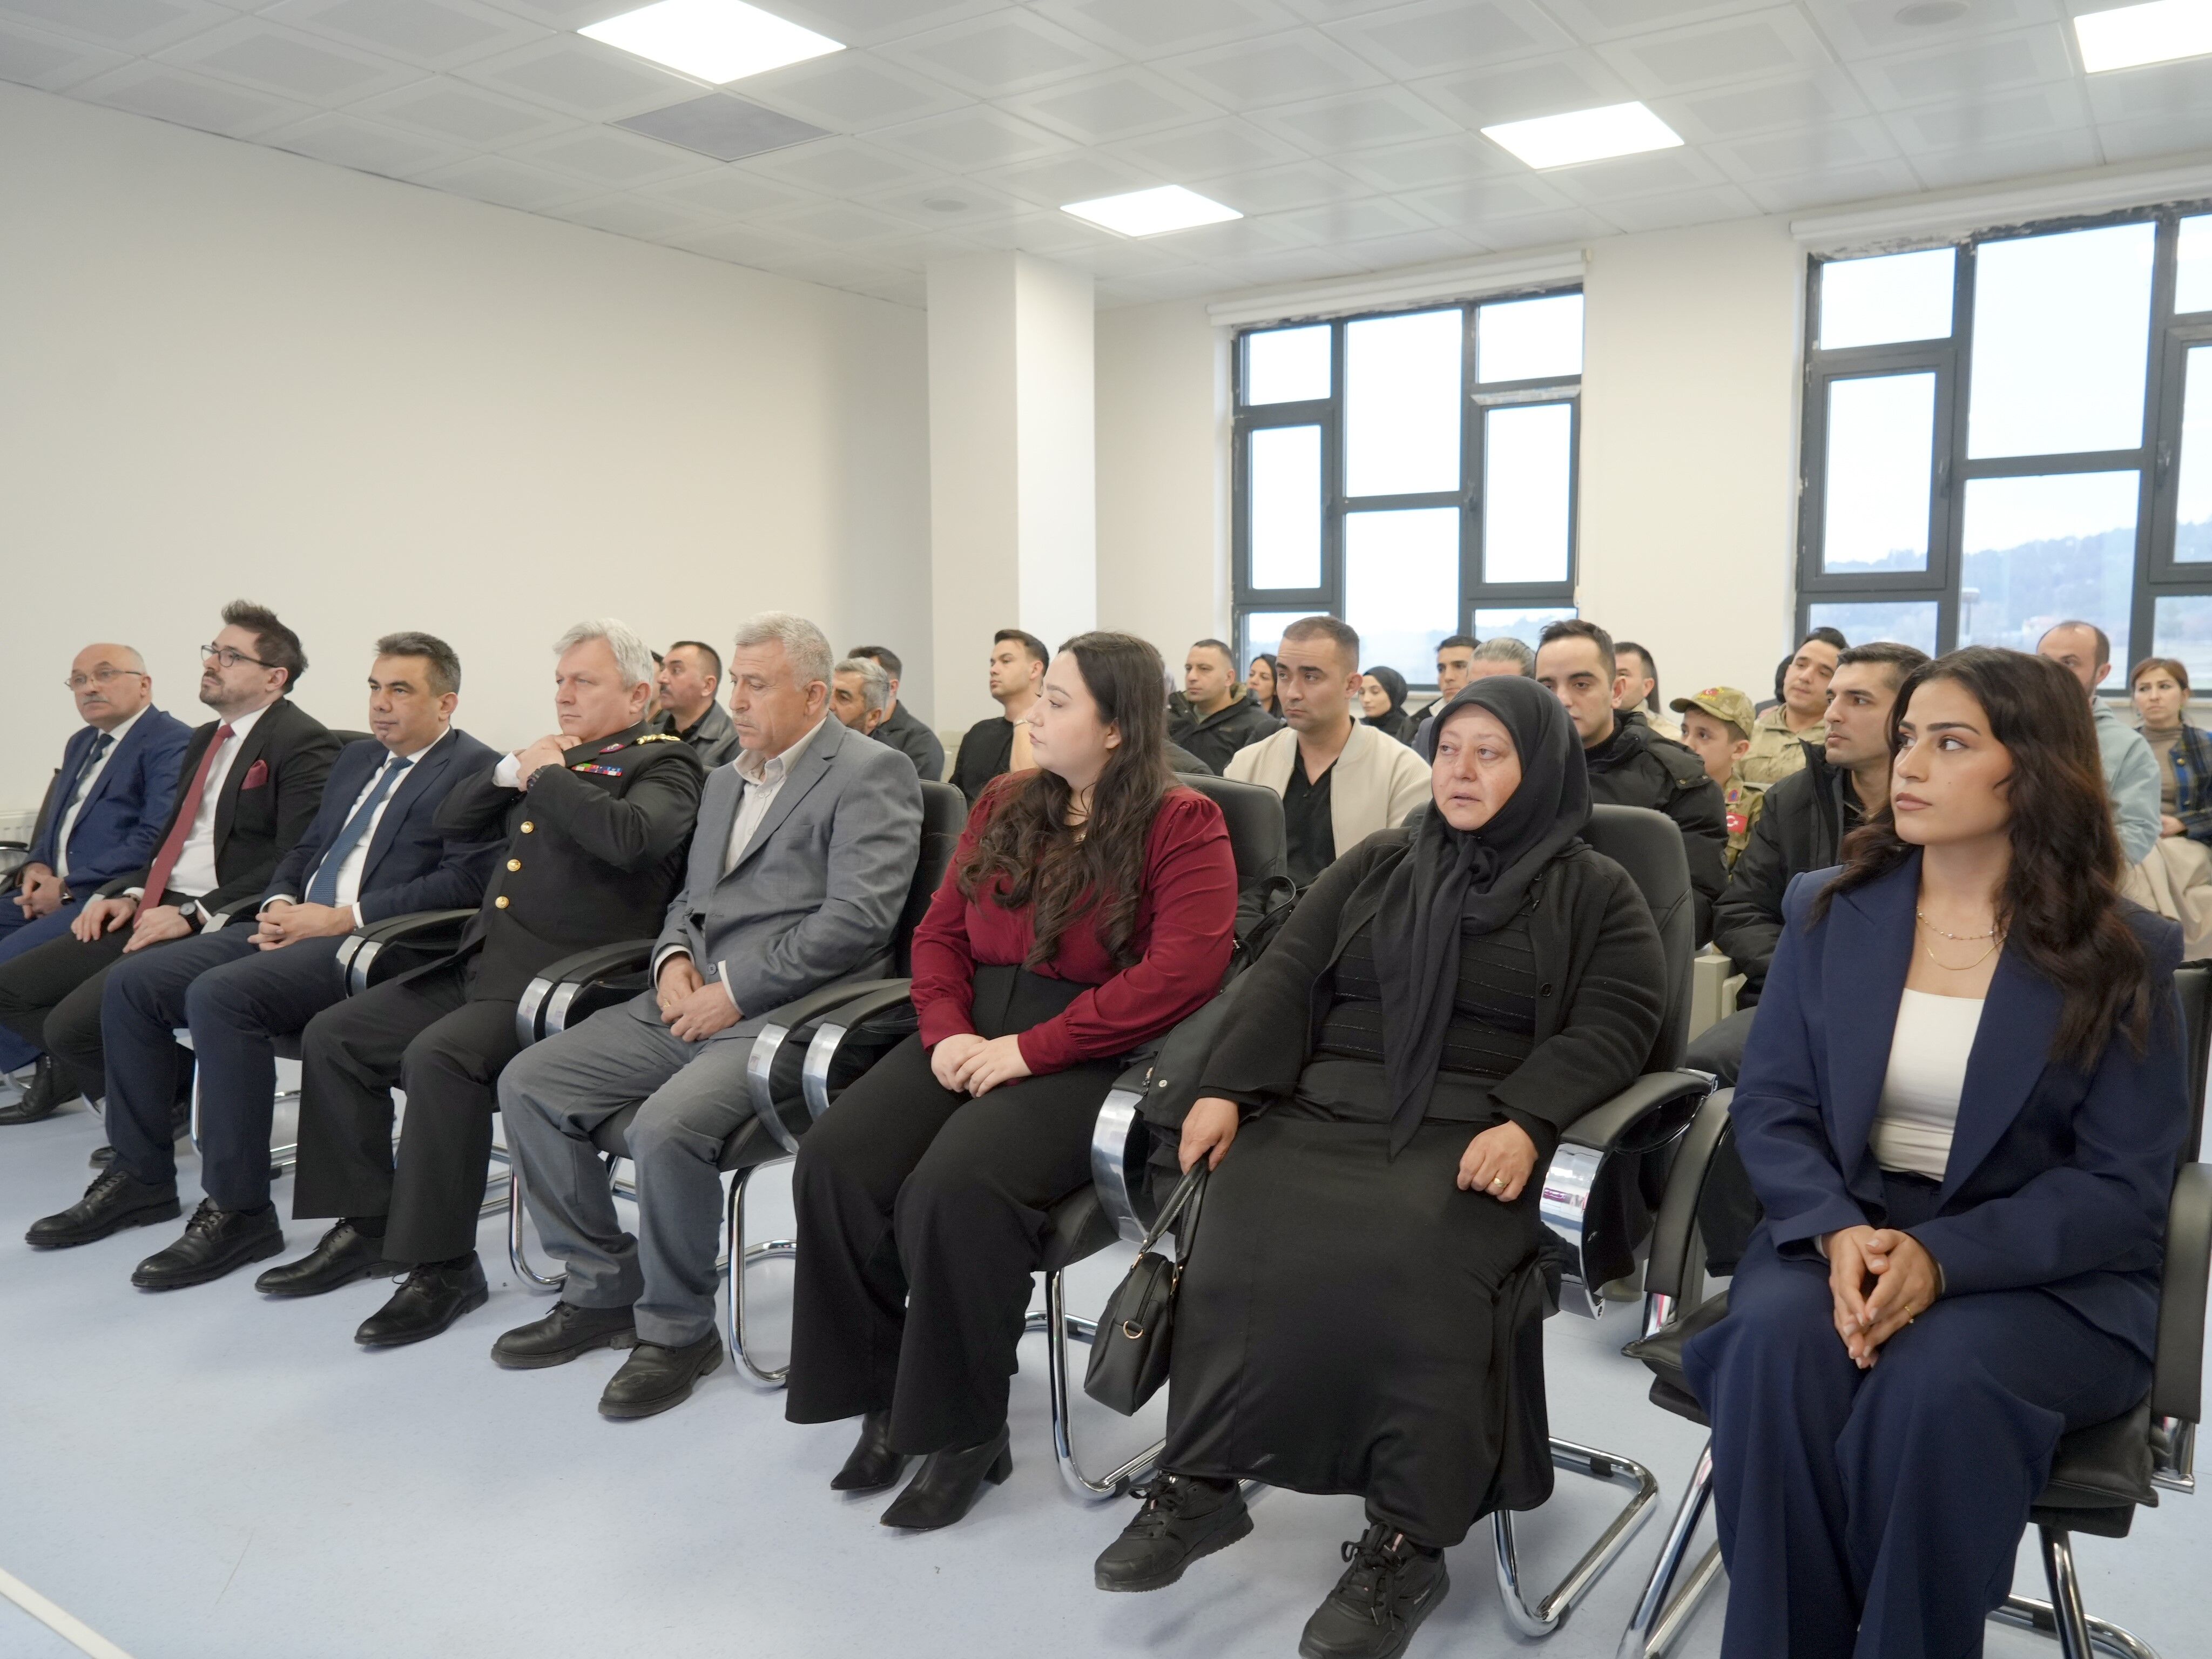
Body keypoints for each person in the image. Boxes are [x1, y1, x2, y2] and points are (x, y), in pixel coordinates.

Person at [1092, 676, 1664, 1658]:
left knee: (1411, 1250)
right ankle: (1202, 1482)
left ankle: (1407, 1538)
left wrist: (1529, 1121)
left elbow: (1618, 1021)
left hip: (1476, 1126)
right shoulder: (1381, 862)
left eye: (1491, 753)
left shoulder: (1593, 888)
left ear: (1539, 769)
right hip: (1327, 1103)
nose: (1461, 770)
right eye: (1449, 750)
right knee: (1239, 1226)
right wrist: (1226, 1088)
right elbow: (1282, 977)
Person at [1682, 647, 2186, 1659]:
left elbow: (2122, 1185)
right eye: (1909, 736)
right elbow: (1774, 1101)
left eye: (1949, 742)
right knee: (1777, 1353)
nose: (1909, 763)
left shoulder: (2121, 949)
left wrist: (1945, 1260)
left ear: (2033, 768)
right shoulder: (1831, 908)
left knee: (1936, 1385)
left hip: (2039, 1272)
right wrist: (1830, 1229)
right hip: (1848, 1229)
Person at [784, 632, 1236, 1529]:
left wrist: (1028, 1052)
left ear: (1116, 727)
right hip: (970, 1027)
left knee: (952, 1191)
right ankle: (884, 1399)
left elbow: (1179, 976)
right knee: (834, 1161)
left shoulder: (1184, 822)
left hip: (1090, 1047)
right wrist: (946, 1031)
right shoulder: (1003, 798)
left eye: (1058, 701)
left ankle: (964, 1432)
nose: (1033, 711)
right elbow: (940, 933)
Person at [492, 615, 923, 1418]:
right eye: (737, 683)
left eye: (757, 685)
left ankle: (677, 1329)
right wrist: (673, 962)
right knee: (529, 1083)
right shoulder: (724, 775)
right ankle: (600, 1285)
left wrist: (733, 988)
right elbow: (692, 901)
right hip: (691, 998)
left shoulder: (872, 771)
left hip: (787, 1014)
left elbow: (857, 922)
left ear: (817, 695)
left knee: (665, 1128)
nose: (738, 699)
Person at [262, 619, 704, 1348]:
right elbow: (451, 816)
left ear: (639, 695)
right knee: (334, 1035)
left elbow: (631, 840)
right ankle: (368, 1224)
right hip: (484, 962)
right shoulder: (553, 757)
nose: (563, 694)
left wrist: (548, 774)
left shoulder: (667, 765)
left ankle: (442, 1268)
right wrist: (513, 770)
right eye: (560, 679)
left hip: (565, 984)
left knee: (442, 1059)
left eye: (583, 681)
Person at [37, 637, 501, 1275]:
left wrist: (339, 917)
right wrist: (281, 900)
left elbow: (464, 883)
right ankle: (140, 1177)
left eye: (401, 690)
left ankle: (239, 1212)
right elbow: (307, 846)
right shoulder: (358, 758)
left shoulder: (476, 768)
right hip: (297, 923)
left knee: (221, 996)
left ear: (446, 702)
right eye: (373, 687)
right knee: (135, 982)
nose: (380, 704)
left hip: (377, 943)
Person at [0, 604, 339, 1165]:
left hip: (220, 914)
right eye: (212, 651)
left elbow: (294, 859)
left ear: (275, 677)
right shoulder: (208, 737)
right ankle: (172, 1089)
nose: (212, 664)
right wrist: (125, 892)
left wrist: (195, 913)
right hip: (155, 901)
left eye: (231, 657)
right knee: (14, 989)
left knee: (82, 1020)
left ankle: (150, 1120)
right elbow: (168, 844)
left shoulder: (304, 742)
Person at [1696, 643, 1929, 1091]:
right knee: (1700, 1067)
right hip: (1795, 1001)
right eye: (1832, 699)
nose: (1833, 715)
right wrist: (1807, 975)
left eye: (1858, 701)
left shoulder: (1937, 808)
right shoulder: (1794, 798)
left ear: (1907, 718)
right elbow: (1741, 911)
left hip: (1905, 1006)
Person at [0, 645, 191, 1122]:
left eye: (104, 675)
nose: (90, 687)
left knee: (11, 966)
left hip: (109, 896)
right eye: (79, 680)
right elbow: (55, 825)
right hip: (54, 888)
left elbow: (156, 839)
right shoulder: (82, 742)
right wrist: (37, 867)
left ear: (145, 684)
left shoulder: (172, 742)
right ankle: (62, 1063)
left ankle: (157, 1083)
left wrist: (65, 886)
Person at [1534, 619, 1727, 943]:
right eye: (1547, 687)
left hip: (1627, 956)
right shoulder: (1513, 770)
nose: (1563, 699)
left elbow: (1696, 908)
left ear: (1617, 691)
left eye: (1581, 684)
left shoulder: (1678, 778)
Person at [1225, 618, 1431, 890]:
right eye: (1284, 675)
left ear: (1351, 685)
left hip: (1350, 927)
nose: (1292, 693)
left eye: (1311, 677)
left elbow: (1400, 887)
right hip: (1256, 923)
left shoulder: (1404, 774)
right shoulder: (1247, 765)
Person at [2037, 621, 2161, 868]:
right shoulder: (2008, 729)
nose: (2051, 673)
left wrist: (2080, 873)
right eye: (2043, 662)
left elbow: (2137, 829)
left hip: (2076, 878)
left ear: (2102, 673)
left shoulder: (2127, 747)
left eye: (2069, 663)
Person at [950, 630, 1048, 805]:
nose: (993, 670)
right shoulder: (978, 732)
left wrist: (1023, 719)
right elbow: (953, 799)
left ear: (1035, 669)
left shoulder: (1051, 731)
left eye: (1006, 661)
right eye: (993, 663)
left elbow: (1029, 794)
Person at [1741, 628, 1846, 787]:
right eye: (1801, 665)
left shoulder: (1839, 740)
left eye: (1823, 673)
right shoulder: (1748, 732)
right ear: (1788, 670)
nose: (1805, 677)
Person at [1671, 686, 1762, 868]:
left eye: (1703, 735)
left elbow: (1749, 880)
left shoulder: (1754, 806)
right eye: (1685, 731)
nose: (1687, 744)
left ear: (1738, 750)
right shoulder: (1665, 793)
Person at [2131, 656, 2212, 844]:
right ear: (2135, 699)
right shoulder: (2118, 746)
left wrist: (2183, 823)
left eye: (2164, 687)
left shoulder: (2206, 745)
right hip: (2131, 841)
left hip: (2189, 842)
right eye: (2144, 689)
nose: (2154, 697)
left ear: (2184, 696)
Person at [1169, 638, 1279, 774]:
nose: (1192, 677)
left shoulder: (1259, 725)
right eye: (1188, 669)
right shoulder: (1169, 719)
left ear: (1229, 678)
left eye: (1204, 669)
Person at [1414, 638, 1535, 757]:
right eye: (1475, 688)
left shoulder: (1542, 738)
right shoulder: (1432, 731)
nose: (1485, 700)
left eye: (1501, 691)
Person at [848, 645, 944, 783]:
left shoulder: (921, 741)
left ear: (892, 688)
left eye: (866, 681)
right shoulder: (843, 731)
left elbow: (910, 798)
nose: (856, 688)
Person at [652, 640, 739, 768]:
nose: (662, 679)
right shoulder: (651, 735)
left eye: (676, 671)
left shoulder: (736, 741)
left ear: (707, 686)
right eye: (663, 670)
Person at [1615, 642, 1682, 743]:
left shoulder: (1669, 736)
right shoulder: (1588, 729)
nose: (1613, 680)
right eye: (1610, 673)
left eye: (1623, 674)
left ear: (1647, 686)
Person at [830, 653, 894, 740]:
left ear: (873, 717)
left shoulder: (882, 753)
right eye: (828, 693)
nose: (829, 705)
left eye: (843, 698)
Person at [1358, 666, 1418, 746]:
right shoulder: (1356, 727)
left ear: (1393, 694)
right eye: (1361, 692)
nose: (1366, 699)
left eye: (1375, 692)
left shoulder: (1410, 732)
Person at [1246, 652, 1282, 718]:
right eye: (1251, 674)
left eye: (1264, 677)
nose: (1254, 681)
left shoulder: (1283, 725)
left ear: (1276, 688)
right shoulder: (1236, 716)